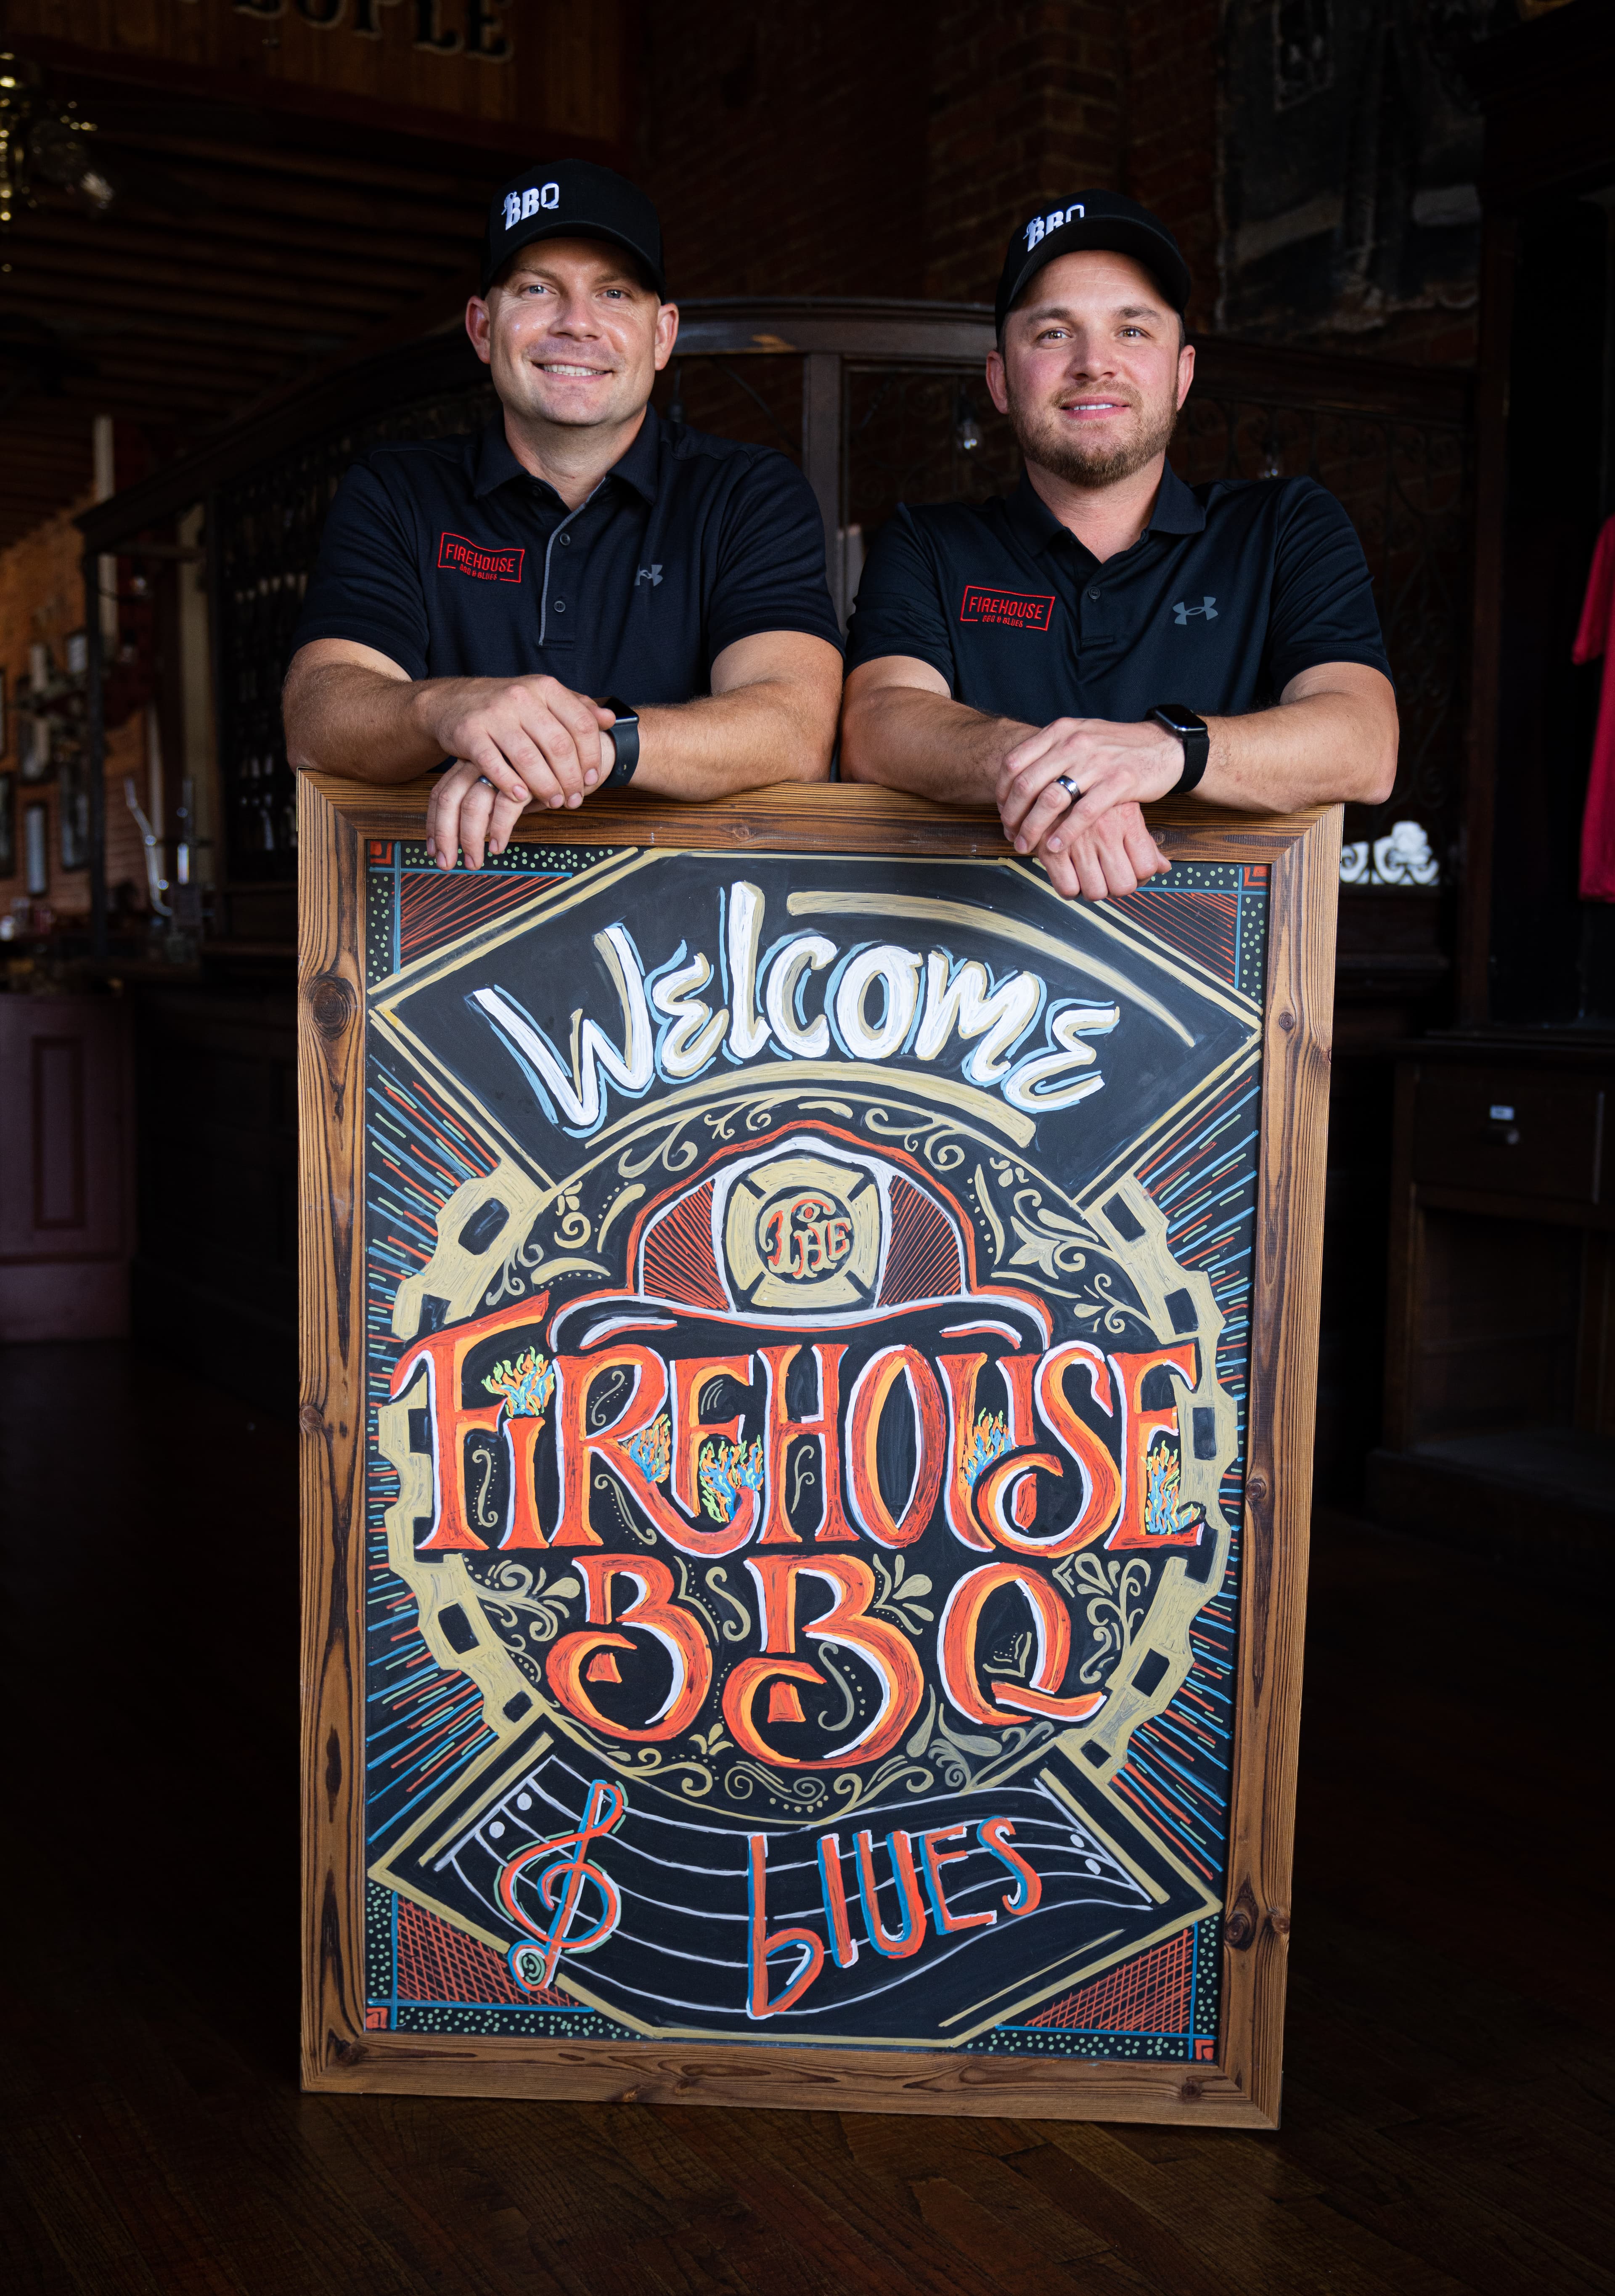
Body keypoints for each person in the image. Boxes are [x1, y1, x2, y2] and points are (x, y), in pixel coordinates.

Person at [839, 191, 1399, 901]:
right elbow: (876, 724)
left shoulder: (1284, 525)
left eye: (1133, 331)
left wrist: (1161, 752)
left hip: (1221, 980)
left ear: (1183, 374)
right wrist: (1066, 774)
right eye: (1052, 334)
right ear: (1000, 380)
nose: (1094, 363)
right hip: (966, 984)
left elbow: (1364, 741)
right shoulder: (929, 543)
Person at [283, 161, 842, 870]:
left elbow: (796, 724)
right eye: (538, 289)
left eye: (613, 292)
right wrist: (451, 710)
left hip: (694, 938)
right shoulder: (396, 491)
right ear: (483, 329)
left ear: (663, 334)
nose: (578, 323)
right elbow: (317, 715)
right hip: (447, 921)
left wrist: (581, 750)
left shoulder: (746, 492)